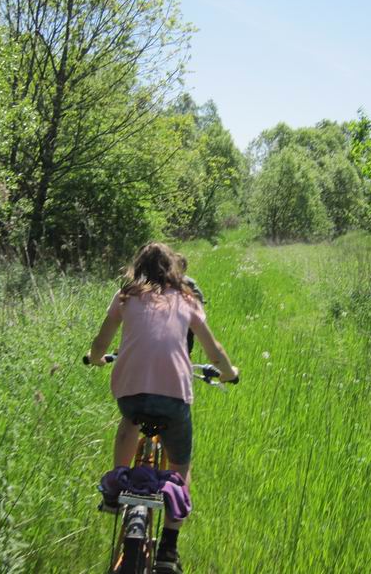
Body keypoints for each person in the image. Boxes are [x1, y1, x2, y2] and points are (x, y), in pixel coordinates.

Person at [87, 242, 238, 574]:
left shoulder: (125, 296)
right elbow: (214, 351)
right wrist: (230, 373)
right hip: (173, 399)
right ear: (174, 270)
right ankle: (168, 549)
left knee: (128, 422)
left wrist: (97, 358)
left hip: (131, 396)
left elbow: (100, 343)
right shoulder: (187, 299)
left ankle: (115, 488)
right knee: (181, 464)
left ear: (137, 268)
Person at [175, 253, 204, 356]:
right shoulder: (162, 284)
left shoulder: (190, 284)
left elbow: (199, 300)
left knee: (186, 350)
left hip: (187, 325)